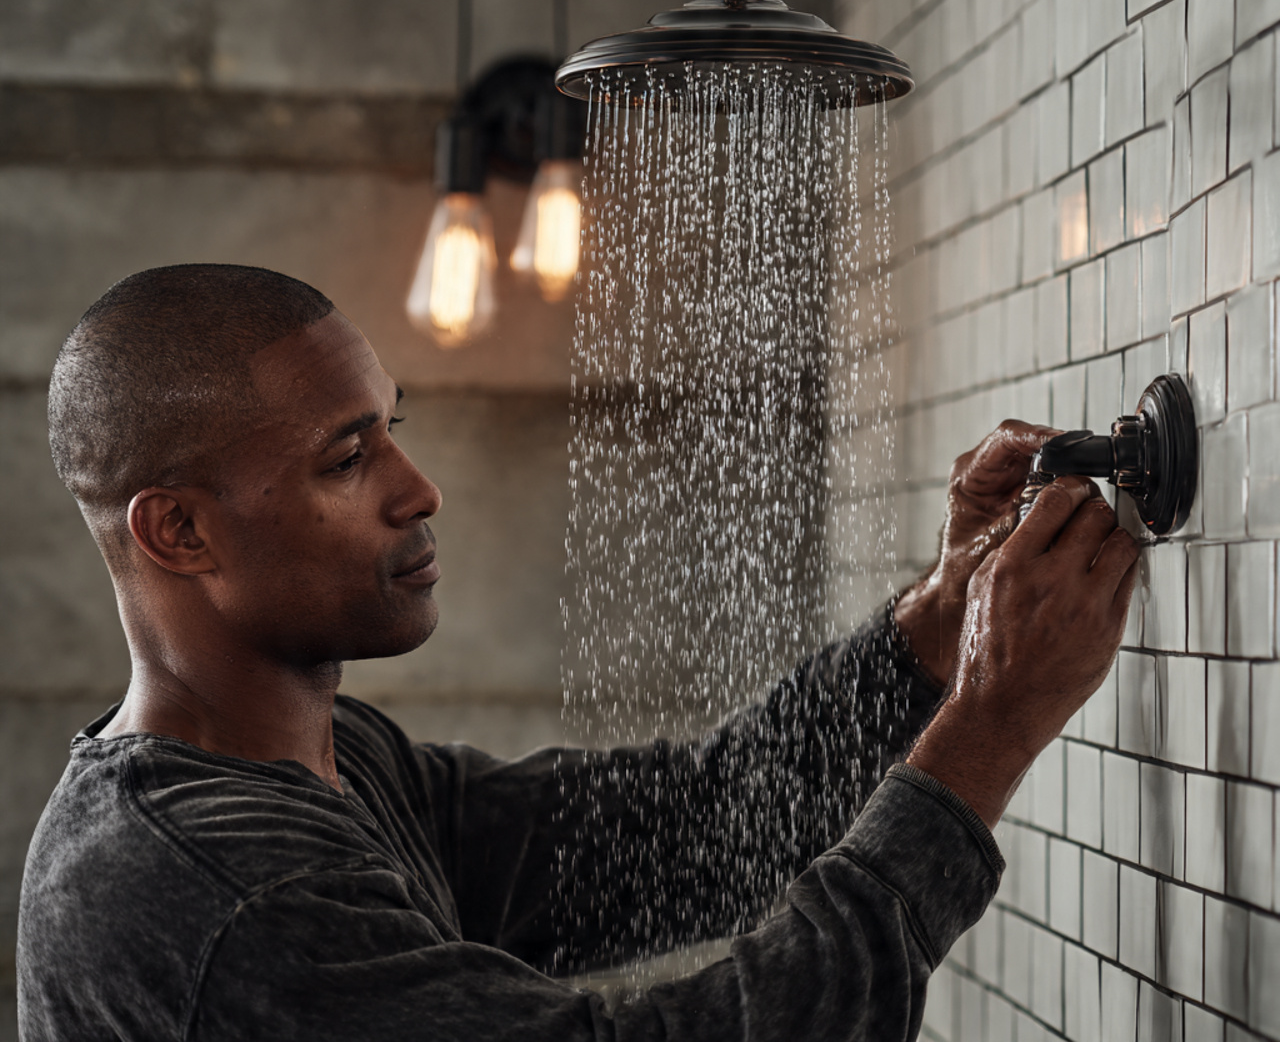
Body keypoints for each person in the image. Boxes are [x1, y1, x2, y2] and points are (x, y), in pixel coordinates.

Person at [17, 264, 1139, 1042]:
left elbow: (698, 825)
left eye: (390, 429)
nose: (418, 488)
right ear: (181, 529)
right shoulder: (213, 887)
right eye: (346, 458)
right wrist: (986, 730)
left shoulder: (331, 759)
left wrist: (943, 614)